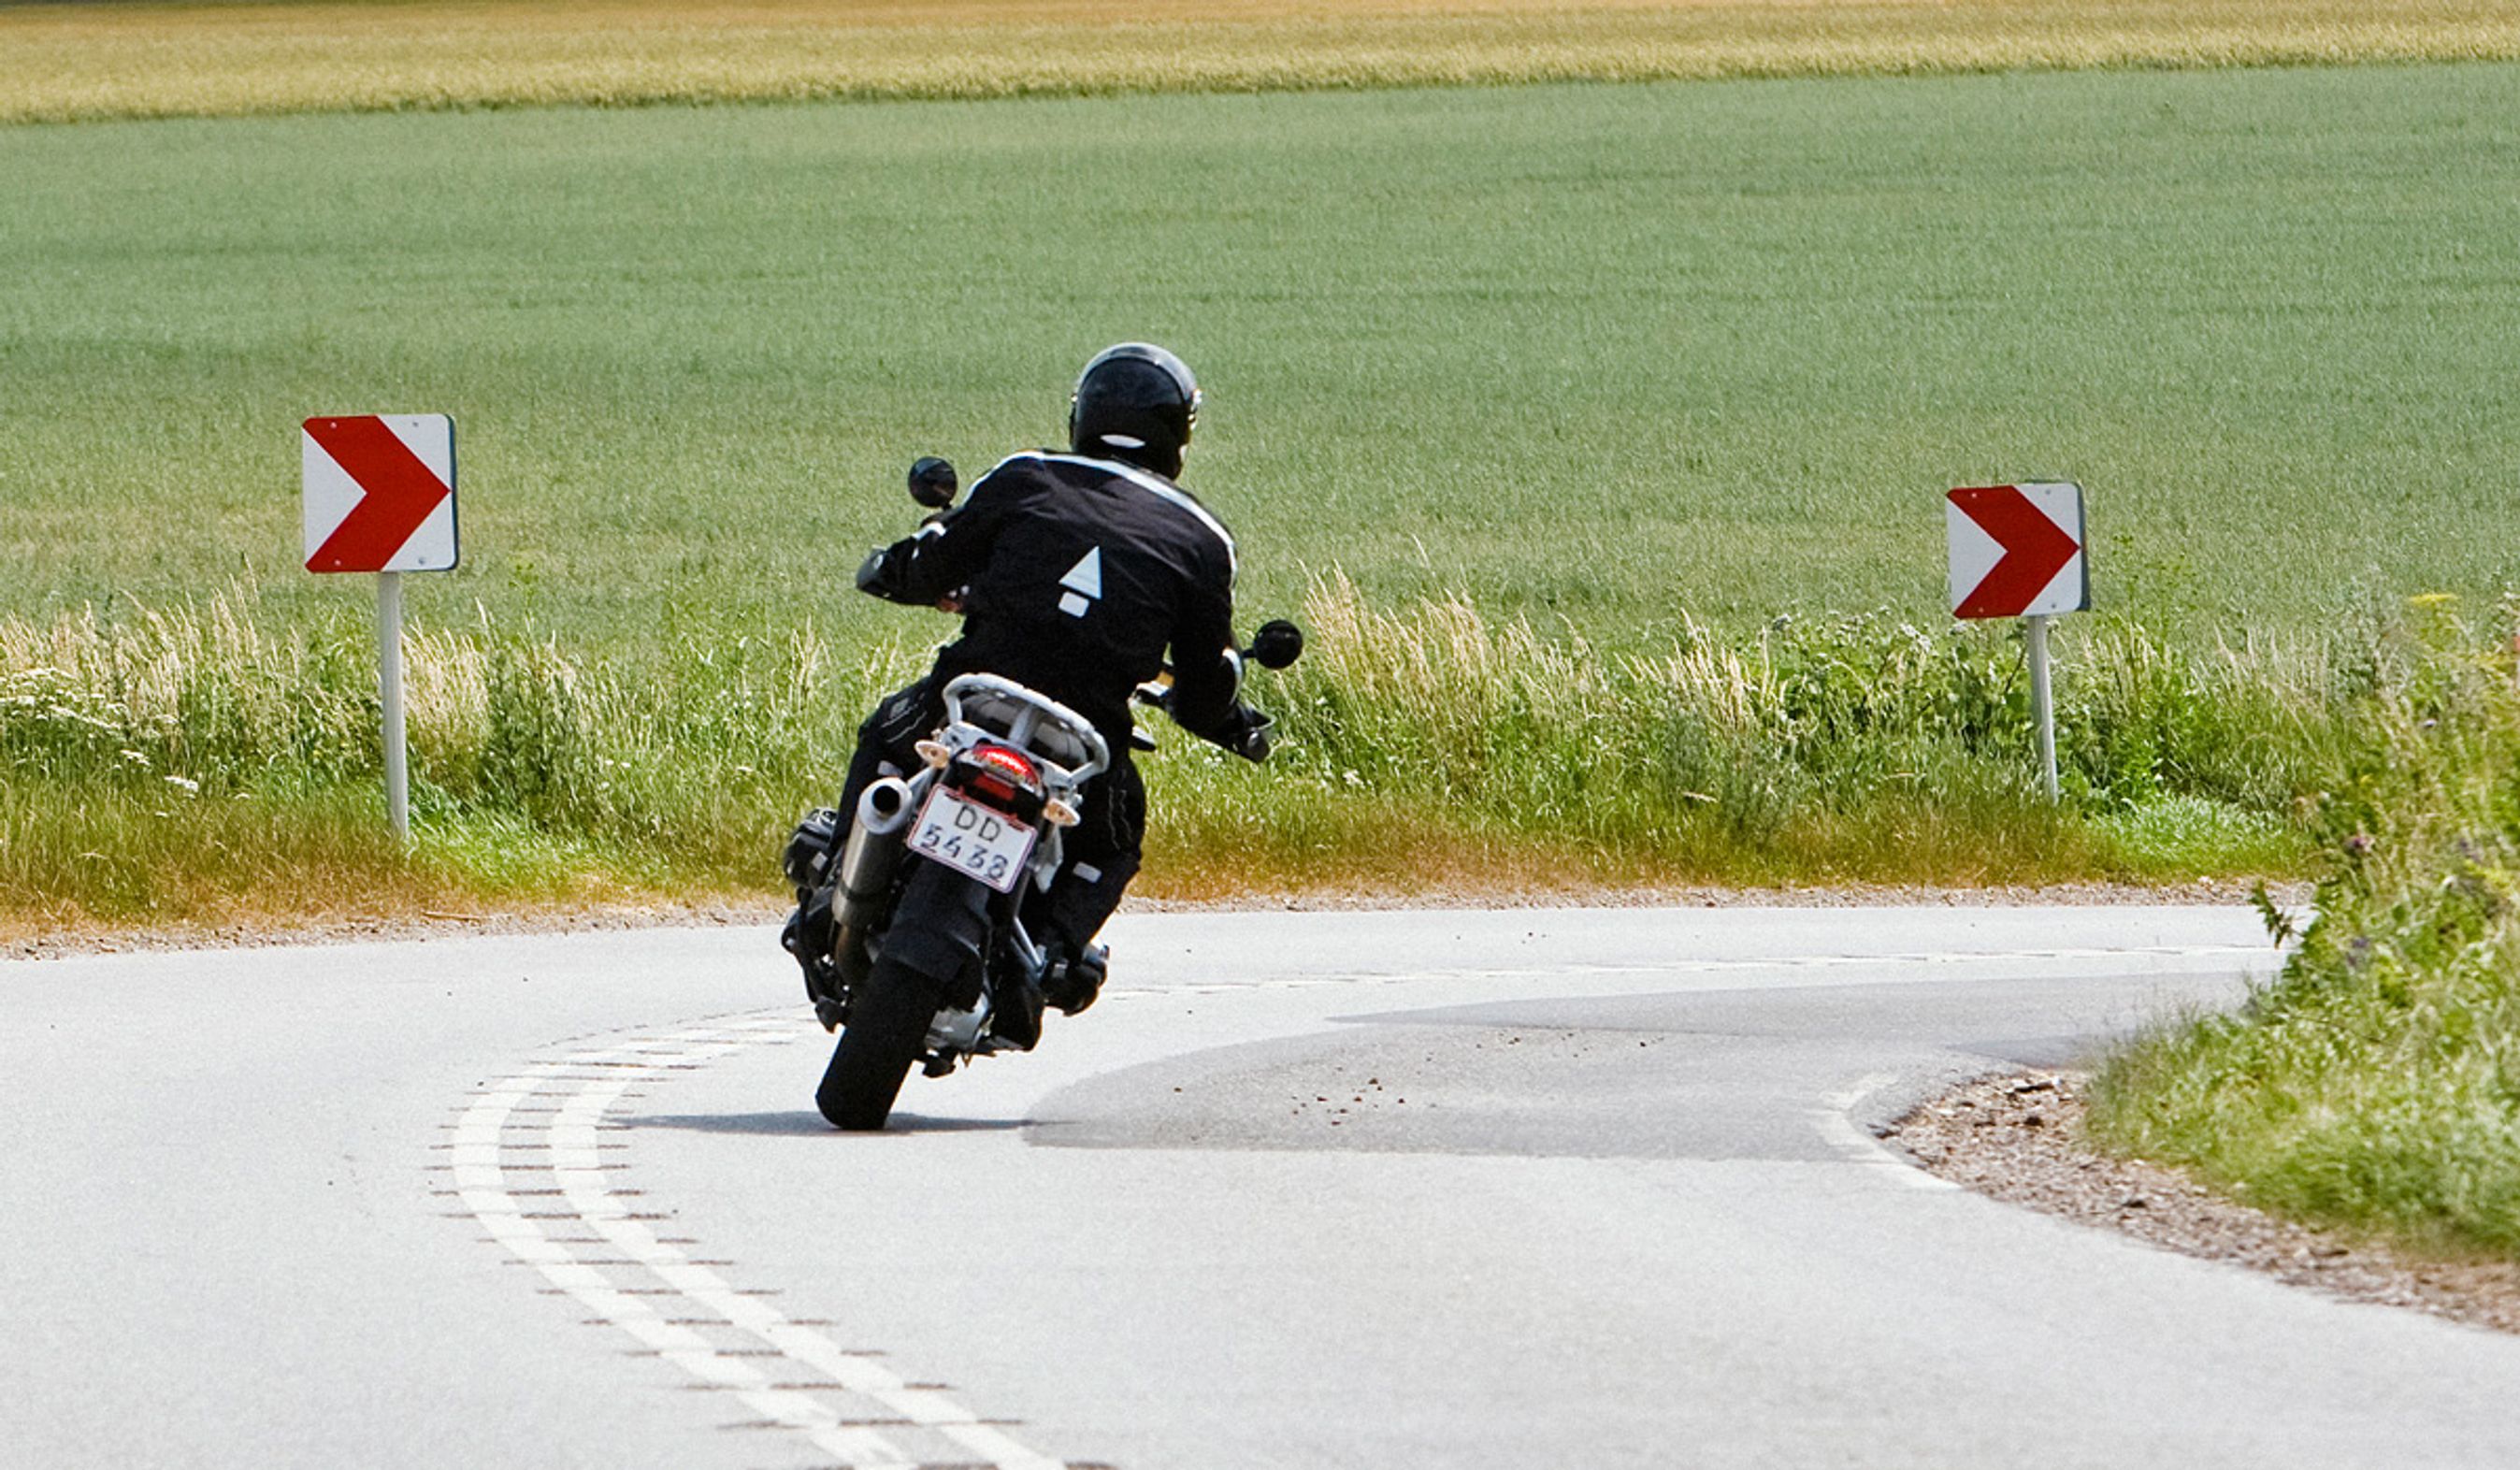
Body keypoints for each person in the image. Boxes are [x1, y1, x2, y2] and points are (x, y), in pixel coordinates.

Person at [798, 342, 1271, 1027]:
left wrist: (892, 571)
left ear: (1083, 412)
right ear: (1179, 432)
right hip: (1086, 730)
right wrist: (1228, 720)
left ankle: (837, 873)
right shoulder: (1201, 539)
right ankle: (1050, 953)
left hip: (975, 689)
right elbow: (1204, 680)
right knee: (1113, 839)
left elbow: (933, 563)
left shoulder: (1027, 475)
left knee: (889, 735)